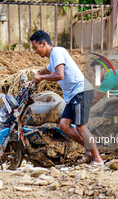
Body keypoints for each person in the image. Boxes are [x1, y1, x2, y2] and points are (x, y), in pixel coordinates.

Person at [29, 30, 103, 166]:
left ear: (44, 44)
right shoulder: (53, 58)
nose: (35, 51)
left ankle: (98, 159)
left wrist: (41, 78)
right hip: (72, 96)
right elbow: (46, 71)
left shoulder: (57, 51)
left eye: (35, 47)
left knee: (80, 127)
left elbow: (59, 75)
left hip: (81, 91)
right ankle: (89, 149)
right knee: (64, 126)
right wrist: (33, 80)